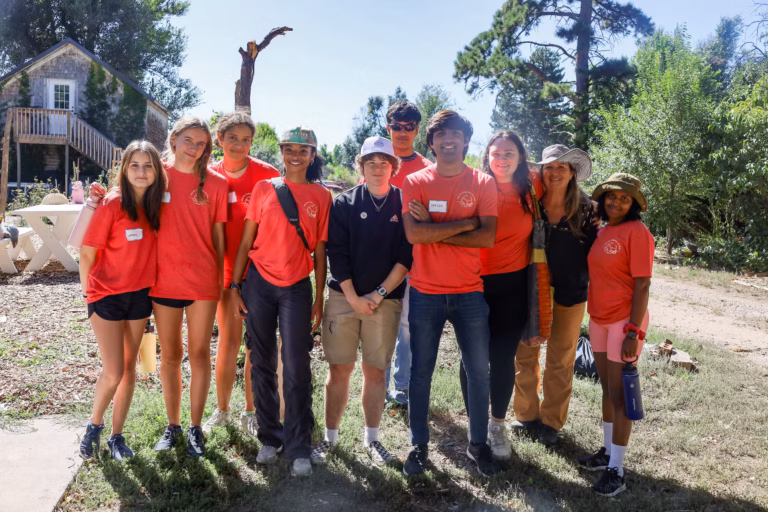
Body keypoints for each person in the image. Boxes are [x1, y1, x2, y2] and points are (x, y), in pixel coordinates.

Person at [401, 110, 499, 477]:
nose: (449, 140)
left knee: (479, 371)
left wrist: (436, 227)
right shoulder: (414, 182)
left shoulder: (483, 183)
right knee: (420, 372)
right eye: (441, 134)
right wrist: (465, 224)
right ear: (431, 142)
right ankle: (418, 445)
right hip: (425, 292)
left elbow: (486, 237)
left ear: (466, 141)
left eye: (456, 134)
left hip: (470, 293)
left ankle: (478, 445)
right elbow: (414, 236)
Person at [231, 127, 331, 477]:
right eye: (289, 149)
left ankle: (299, 444)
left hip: (296, 287)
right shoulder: (264, 189)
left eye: (303, 150)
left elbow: (319, 251)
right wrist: (234, 285)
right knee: (261, 360)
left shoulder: (321, 196)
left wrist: (320, 297)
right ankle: (270, 438)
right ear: (282, 151)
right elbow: (246, 242)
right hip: (258, 282)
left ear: (313, 154)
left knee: (296, 364)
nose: (295, 155)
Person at [311, 136, 412, 466]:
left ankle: (372, 439)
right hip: (344, 297)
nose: (378, 168)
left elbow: (406, 255)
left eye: (385, 162)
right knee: (339, 369)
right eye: (372, 162)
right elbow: (336, 254)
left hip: (386, 300)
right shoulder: (344, 203)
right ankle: (330, 438)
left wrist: (377, 294)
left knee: (376, 372)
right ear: (361, 166)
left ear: (393, 167)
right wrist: (354, 297)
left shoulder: (403, 202)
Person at [453, 131, 542, 460]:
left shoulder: (531, 189)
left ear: (520, 157)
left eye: (509, 153)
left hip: (513, 287)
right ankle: (476, 424)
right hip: (473, 284)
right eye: (495, 153)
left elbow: (568, 195)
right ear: (486, 157)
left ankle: (496, 424)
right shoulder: (475, 185)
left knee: (503, 358)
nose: (502, 159)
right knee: (472, 359)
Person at [78, 140, 166, 460]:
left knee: (130, 369)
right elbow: (86, 254)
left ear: (157, 171)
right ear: (124, 169)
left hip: (141, 296)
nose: (141, 172)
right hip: (106, 296)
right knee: (113, 370)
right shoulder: (113, 203)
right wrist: (88, 295)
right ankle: (94, 426)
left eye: (148, 165)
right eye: (134, 165)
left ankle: (117, 437)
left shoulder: (158, 205)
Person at [150, 117, 228, 457]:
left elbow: (219, 237)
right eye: (188, 140)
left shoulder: (217, 183)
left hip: (202, 280)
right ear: (174, 138)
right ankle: (174, 425)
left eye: (201, 143)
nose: (194, 147)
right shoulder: (156, 174)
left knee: (198, 353)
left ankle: (196, 427)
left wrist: (222, 281)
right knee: (170, 355)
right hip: (162, 279)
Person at [513, 144, 598, 447]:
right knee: (525, 353)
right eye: (549, 166)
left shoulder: (588, 210)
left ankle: (551, 421)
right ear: (542, 171)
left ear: (573, 172)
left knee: (561, 359)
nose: (555, 171)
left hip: (570, 292)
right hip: (531, 289)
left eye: (562, 166)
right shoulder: (529, 204)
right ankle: (525, 414)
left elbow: (598, 253)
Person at [203, 112, 279, 436]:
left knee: (255, 347)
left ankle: (251, 411)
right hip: (221, 272)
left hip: (258, 274)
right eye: (232, 138)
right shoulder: (206, 176)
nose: (239, 144)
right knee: (228, 342)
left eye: (246, 139)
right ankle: (221, 410)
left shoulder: (268, 175)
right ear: (219, 139)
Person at [579, 173, 653, 497]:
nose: (616, 202)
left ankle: (617, 471)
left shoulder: (638, 232)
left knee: (620, 394)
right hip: (598, 318)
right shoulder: (601, 230)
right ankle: (607, 452)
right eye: (612, 196)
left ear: (634, 203)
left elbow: (643, 284)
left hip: (625, 322)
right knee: (607, 390)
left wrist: (634, 332)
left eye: (625, 198)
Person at [382, 101, 432, 407]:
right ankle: (379, 382)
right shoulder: (377, 162)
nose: (402, 132)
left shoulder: (427, 168)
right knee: (383, 323)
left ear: (417, 129)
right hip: (381, 258)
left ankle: (400, 388)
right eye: (396, 127)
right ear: (388, 128)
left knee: (409, 327)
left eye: (409, 126)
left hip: (415, 258)